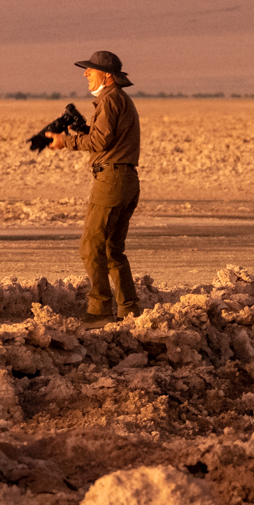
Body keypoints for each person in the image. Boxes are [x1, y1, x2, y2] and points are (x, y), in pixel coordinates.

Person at [50, 48, 143, 323]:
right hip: (125, 179)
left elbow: (100, 142)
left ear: (108, 76)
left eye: (91, 70)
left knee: (91, 246)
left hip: (112, 180)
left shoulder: (111, 100)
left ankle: (98, 311)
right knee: (112, 248)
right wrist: (82, 133)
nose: (85, 73)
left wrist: (64, 142)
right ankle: (129, 310)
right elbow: (104, 138)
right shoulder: (118, 100)